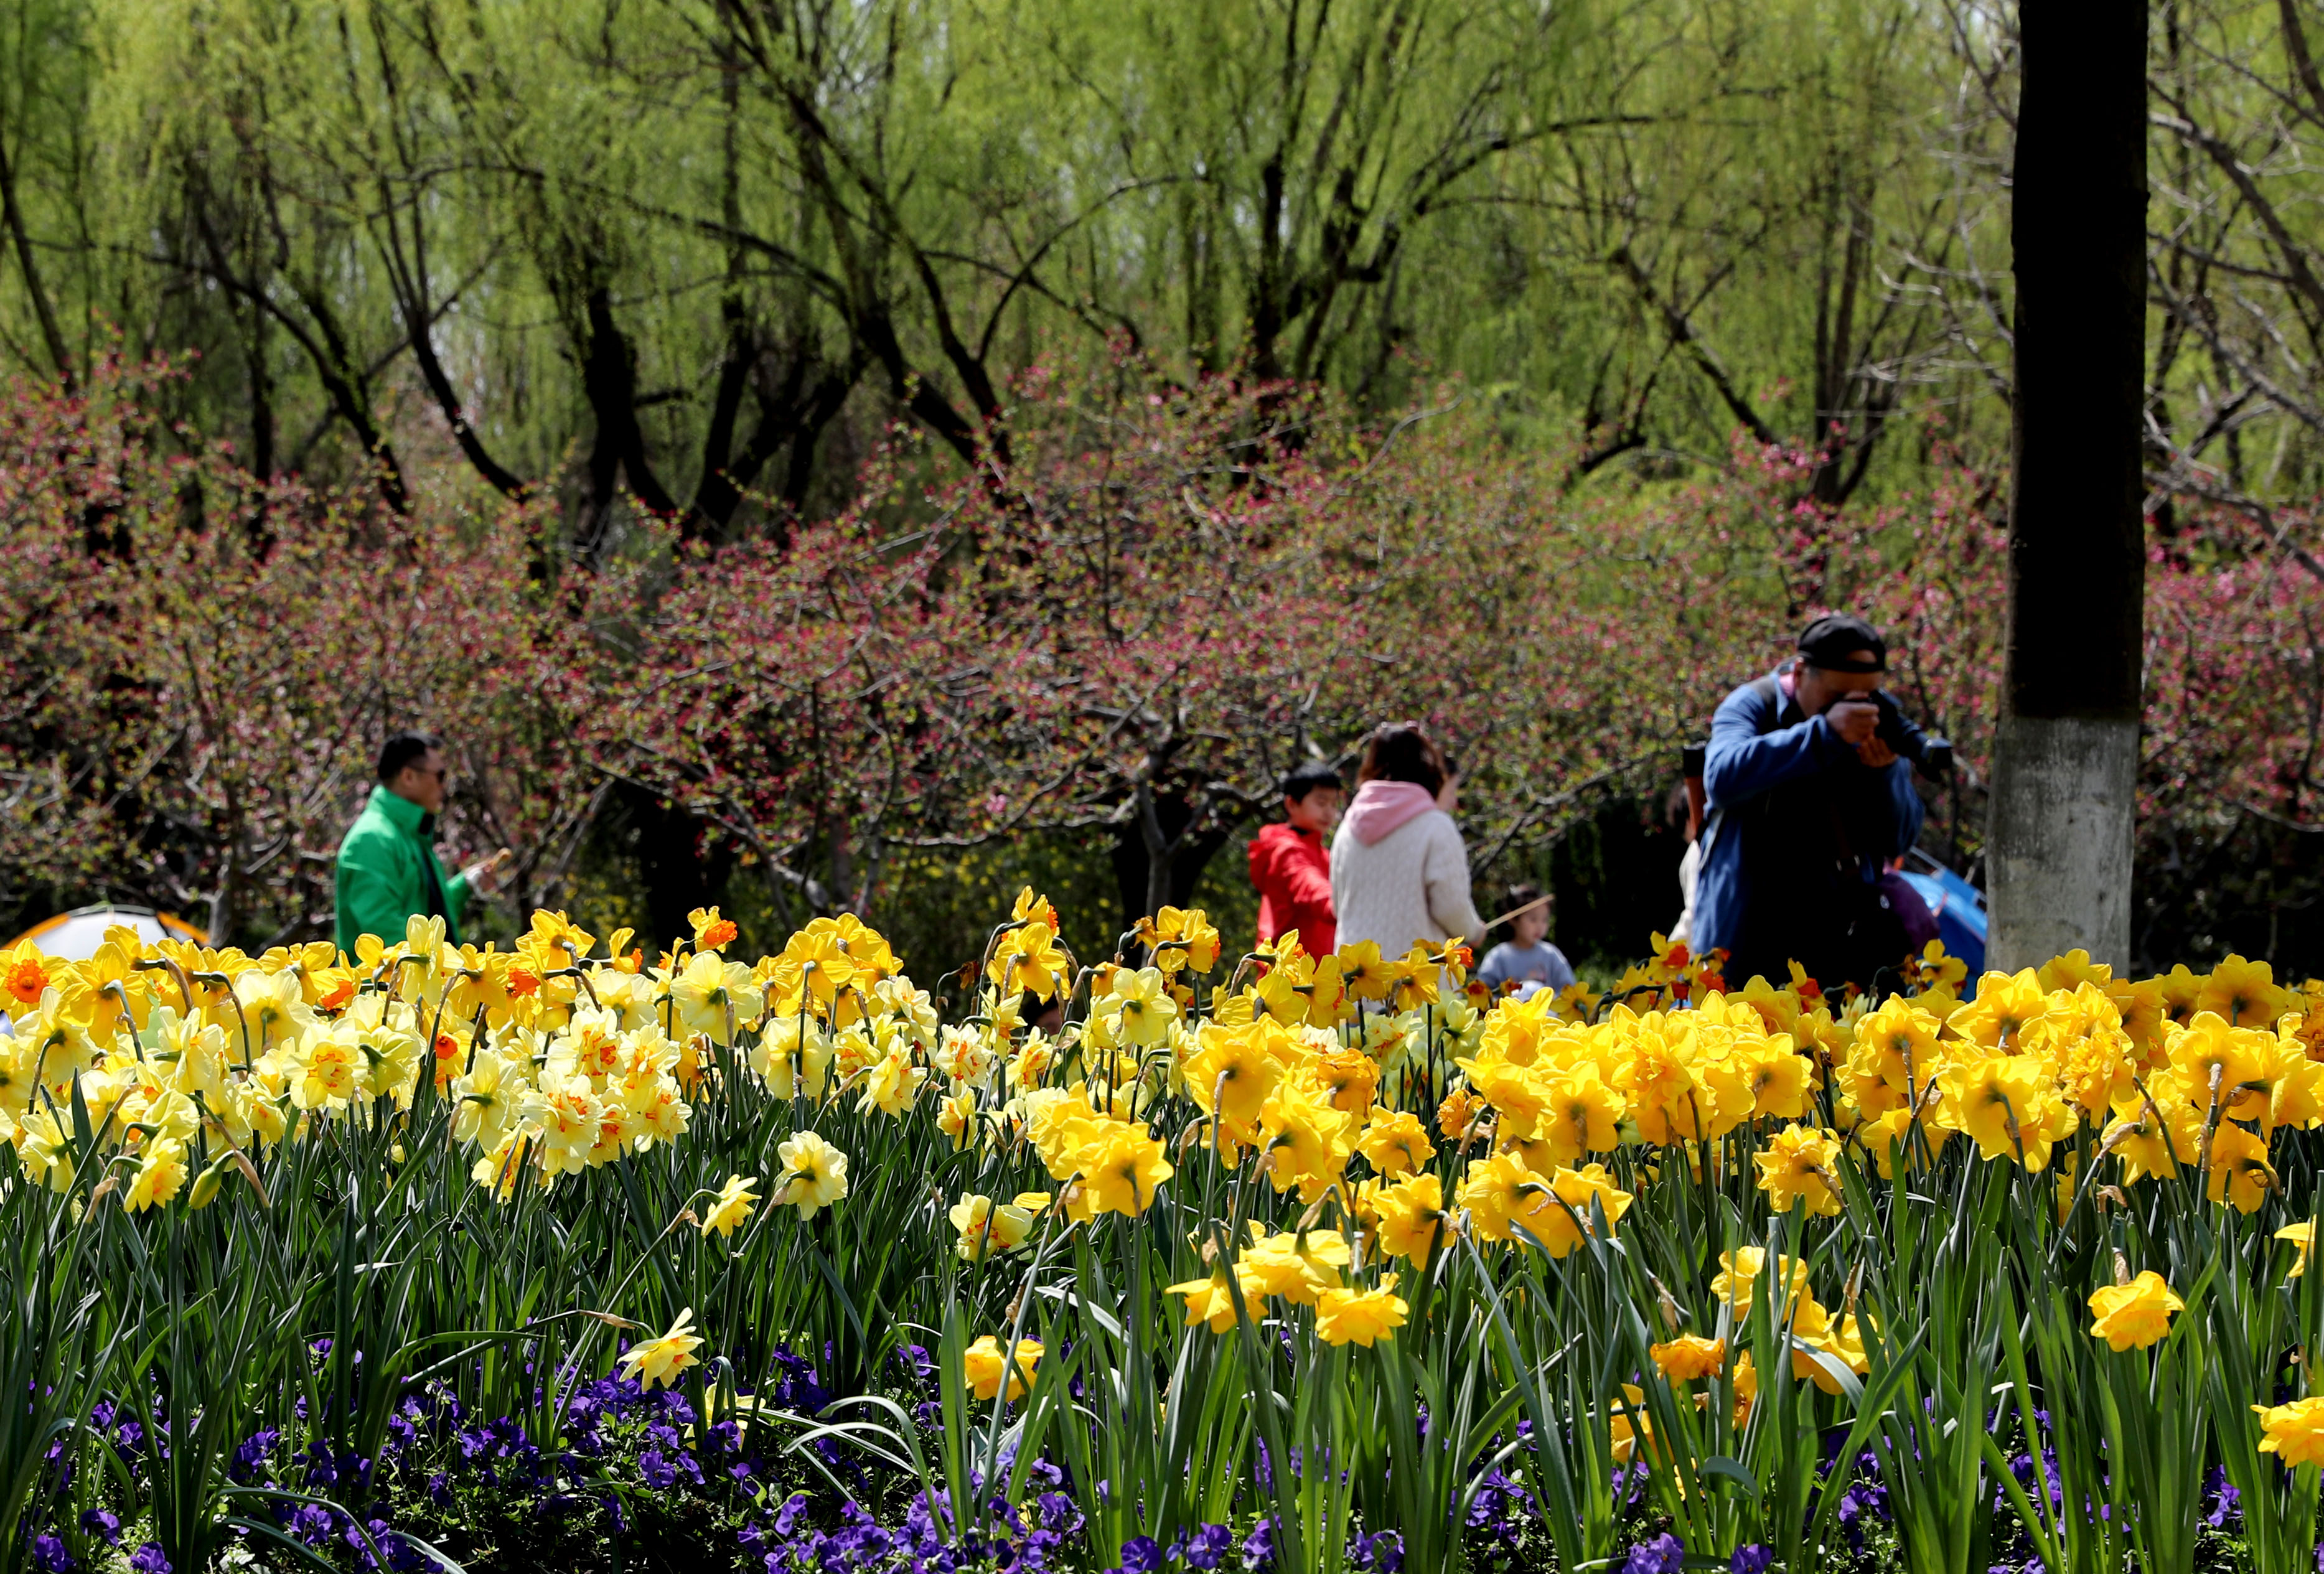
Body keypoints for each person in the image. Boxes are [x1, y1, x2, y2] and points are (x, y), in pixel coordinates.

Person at [1696, 615, 1925, 990]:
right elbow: (1722, 779)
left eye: (1866, 696)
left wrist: (1883, 774)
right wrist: (1824, 736)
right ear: (1800, 673)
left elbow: (1898, 841)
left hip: (1841, 948)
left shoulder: (1876, 721)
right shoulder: (1755, 705)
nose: (1854, 708)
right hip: (1747, 942)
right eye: (1838, 696)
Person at [335, 732, 508, 957]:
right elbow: (383, 932)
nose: (444, 786)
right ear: (408, 777)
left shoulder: (407, 834)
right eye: (440, 775)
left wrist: (463, 886)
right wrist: (449, 962)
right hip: (387, 991)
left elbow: (426, 916)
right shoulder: (372, 839)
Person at [1329, 723, 1487, 959]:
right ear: (1429, 768)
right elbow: (1450, 907)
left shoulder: (1347, 828)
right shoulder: (1436, 826)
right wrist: (1473, 930)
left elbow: (1338, 905)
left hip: (1356, 975)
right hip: (1414, 978)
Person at [1249, 761, 1344, 952]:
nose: (1329, 812)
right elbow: (1308, 886)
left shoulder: (1323, 854)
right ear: (1292, 804)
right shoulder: (1285, 849)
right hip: (1288, 976)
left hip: (1318, 975)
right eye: (1321, 802)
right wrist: (1345, 907)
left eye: (1334, 804)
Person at [1476, 883, 1577, 999]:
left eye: (1544, 920)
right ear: (1512, 918)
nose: (1540, 926)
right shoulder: (1498, 956)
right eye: (1533, 919)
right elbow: (1483, 992)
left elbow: (1568, 991)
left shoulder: (1551, 954)